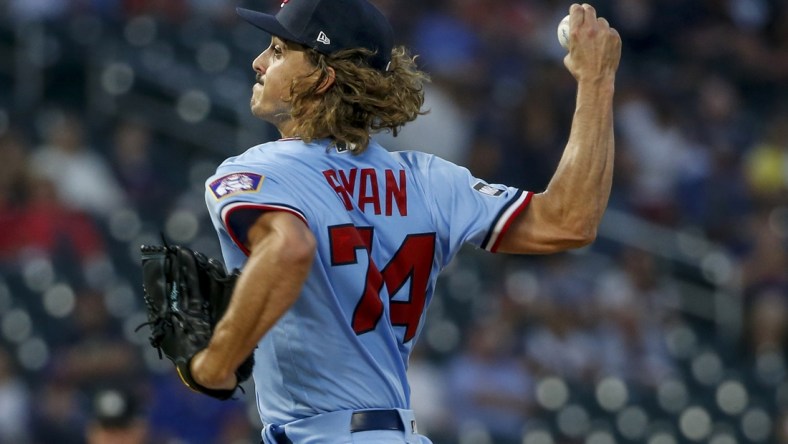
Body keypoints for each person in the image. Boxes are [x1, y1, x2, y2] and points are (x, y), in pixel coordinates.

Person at [190, 0, 621, 442]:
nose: (258, 61)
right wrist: (597, 81)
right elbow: (570, 221)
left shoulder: (262, 172)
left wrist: (215, 365)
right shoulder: (428, 180)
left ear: (322, 78)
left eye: (280, 51)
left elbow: (289, 248)